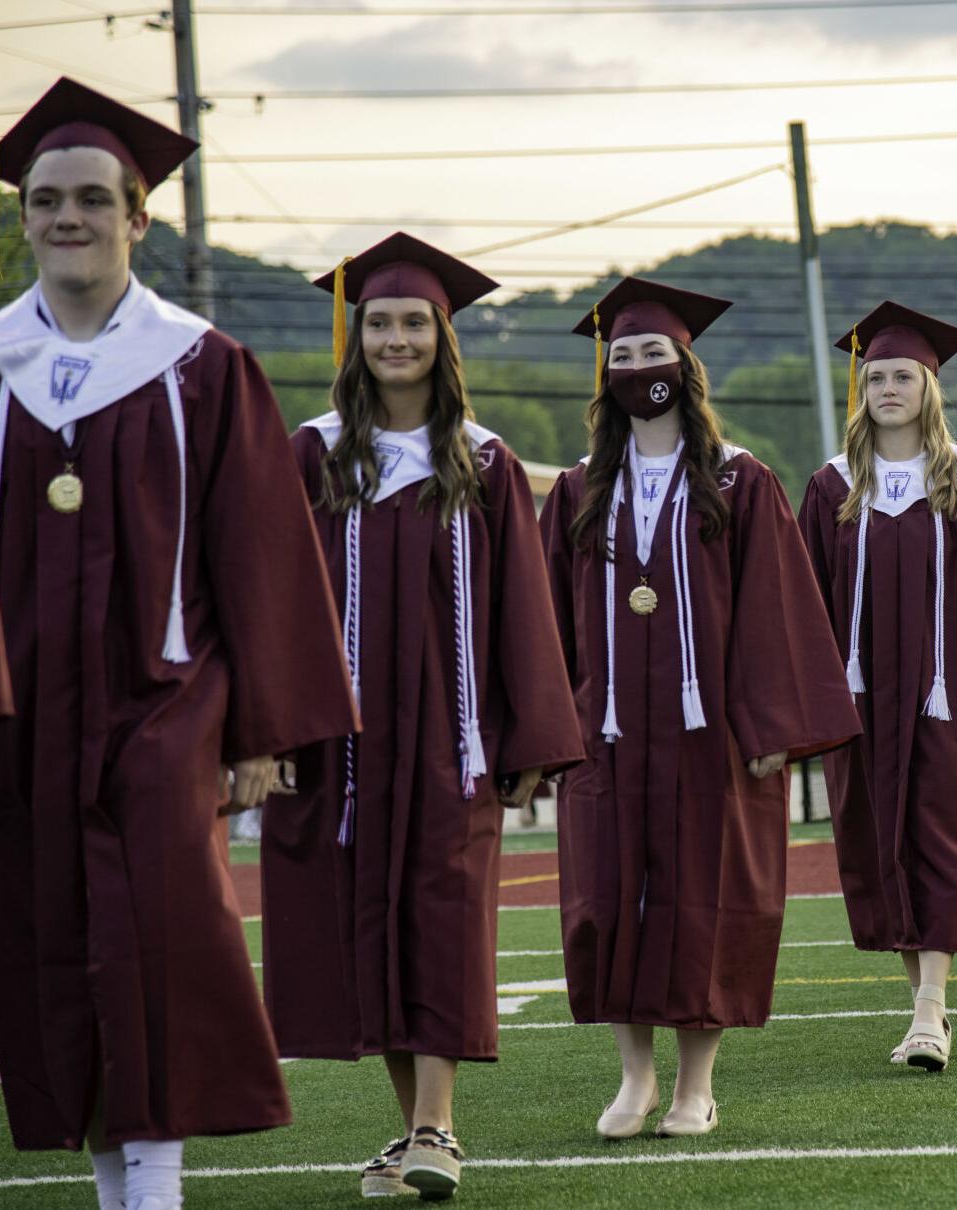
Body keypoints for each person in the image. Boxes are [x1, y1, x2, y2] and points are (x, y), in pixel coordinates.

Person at [0, 79, 358, 1210]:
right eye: (46, 200)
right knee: (47, 931)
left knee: (161, 934)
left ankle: (152, 1189)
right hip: (20, 704)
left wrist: (261, 726)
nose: (69, 218)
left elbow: (261, 552)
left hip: (166, 702)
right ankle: (104, 1175)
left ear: (140, 216)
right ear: (23, 220)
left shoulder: (201, 364)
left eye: (94, 199)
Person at [259, 234, 585, 1200]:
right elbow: (272, 594)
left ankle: (439, 1127)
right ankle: (413, 1135)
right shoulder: (314, 451)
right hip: (338, 747)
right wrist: (269, 727)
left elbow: (523, 606)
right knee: (367, 931)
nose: (395, 339)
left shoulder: (483, 461)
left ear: (444, 340)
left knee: (441, 919)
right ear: (353, 338)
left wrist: (532, 737)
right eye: (379, 323)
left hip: (454, 741)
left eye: (413, 323)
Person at [541, 277, 859, 1137]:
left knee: (705, 901)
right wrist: (548, 728)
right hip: (606, 735)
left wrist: (769, 729)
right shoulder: (576, 490)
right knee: (607, 903)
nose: (640, 366)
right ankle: (633, 1079)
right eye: (623, 356)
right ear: (604, 376)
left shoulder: (738, 479)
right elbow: (544, 619)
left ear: (686, 365)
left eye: (654, 353)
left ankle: (696, 1085)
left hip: (708, 737)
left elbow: (775, 607)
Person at [800, 301, 957, 1073]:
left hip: (955, 703)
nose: (886, 388)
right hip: (863, 702)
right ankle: (928, 1004)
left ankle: (927, 1015)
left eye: (901, 376)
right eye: (874, 376)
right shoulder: (830, 487)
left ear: (927, 387)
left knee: (947, 843)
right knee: (883, 845)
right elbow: (804, 604)